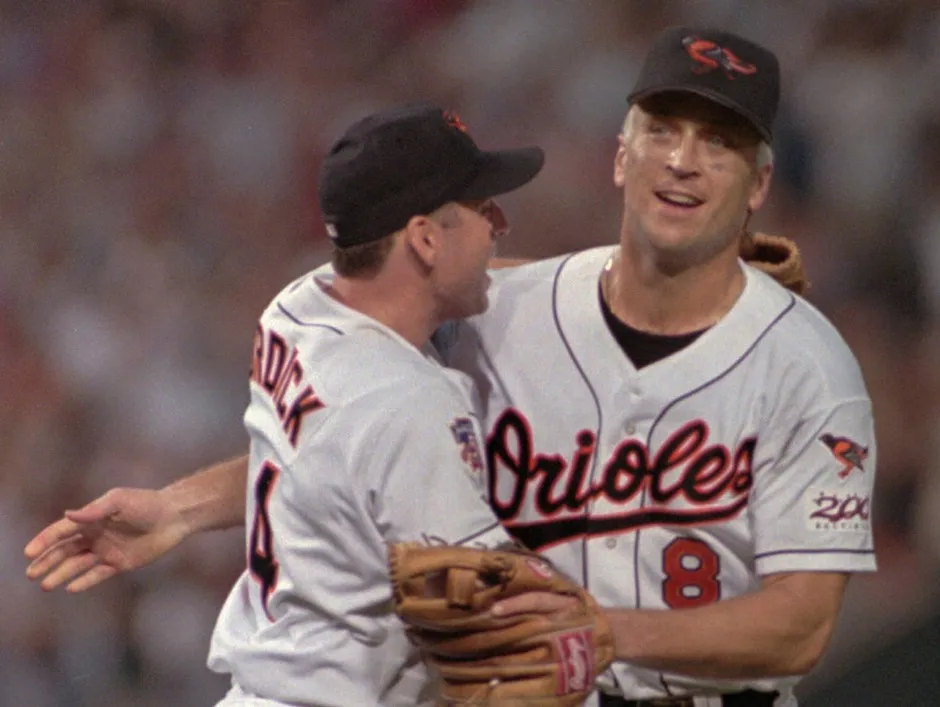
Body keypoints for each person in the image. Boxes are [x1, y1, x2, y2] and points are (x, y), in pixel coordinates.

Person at [26, 27, 876, 707]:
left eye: (720, 143)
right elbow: (344, 451)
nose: (683, 160)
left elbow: (802, 626)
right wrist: (182, 507)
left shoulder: (807, 368)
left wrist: (612, 632)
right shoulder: (493, 310)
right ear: (621, 155)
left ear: (759, 183)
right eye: (661, 131)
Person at [84, 102, 547, 707]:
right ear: (425, 238)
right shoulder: (409, 404)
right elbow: (496, 623)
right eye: (482, 208)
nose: (500, 225)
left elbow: (316, 463)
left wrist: (178, 507)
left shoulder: (298, 308)